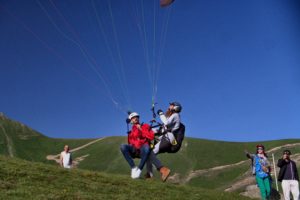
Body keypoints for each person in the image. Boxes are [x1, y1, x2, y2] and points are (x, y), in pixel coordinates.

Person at [145, 102, 182, 179]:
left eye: (171, 105)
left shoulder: (176, 115)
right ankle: (149, 175)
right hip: (165, 137)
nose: (169, 107)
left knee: (150, 153)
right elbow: (162, 128)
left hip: (168, 138)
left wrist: (161, 114)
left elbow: (166, 123)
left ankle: (163, 170)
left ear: (176, 108)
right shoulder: (171, 116)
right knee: (150, 154)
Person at [120, 112, 154, 179]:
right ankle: (133, 168)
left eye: (136, 117)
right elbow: (130, 143)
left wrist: (141, 129)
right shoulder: (132, 131)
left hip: (143, 148)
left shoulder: (145, 126)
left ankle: (139, 170)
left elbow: (151, 137)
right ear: (131, 121)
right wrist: (129, 135)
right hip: (135, 149)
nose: (135, 118)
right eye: (133, 118)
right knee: (123, 146)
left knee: (147, 148)